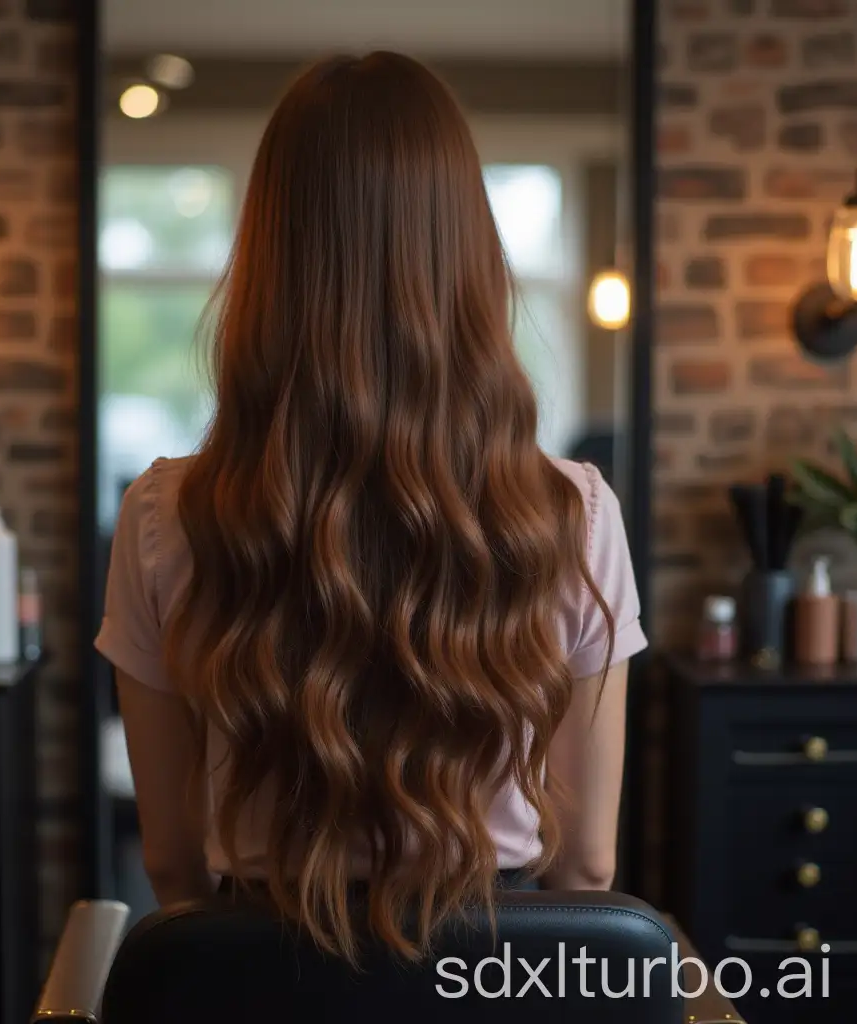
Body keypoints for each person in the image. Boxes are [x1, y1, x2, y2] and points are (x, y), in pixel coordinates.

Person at [95, 51, 647, 966]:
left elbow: (169, 861)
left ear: (269, 254)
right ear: (467, 252)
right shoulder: (571, 512)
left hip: (257, 987)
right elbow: (586, 867)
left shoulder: (164, 512)